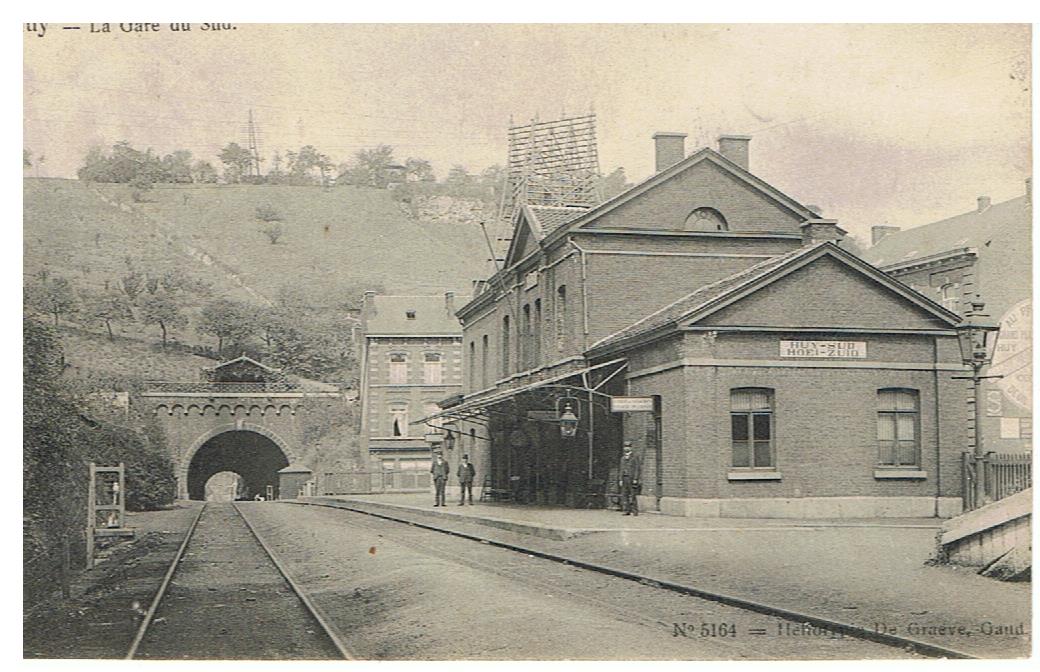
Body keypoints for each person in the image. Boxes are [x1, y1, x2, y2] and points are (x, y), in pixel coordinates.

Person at [618, 441, 642, 516]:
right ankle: (626, 510)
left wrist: (635, 478)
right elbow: (621, 469)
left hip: (631, 478)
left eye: (628, 447)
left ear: (631, 448)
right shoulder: (622, 458)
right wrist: (620, 479)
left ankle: (635, 511)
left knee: (633, 495)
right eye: (625, 447)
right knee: (624, 495)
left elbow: (637, 468)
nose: (626, 448)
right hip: (624, 478)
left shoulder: (635, 457)